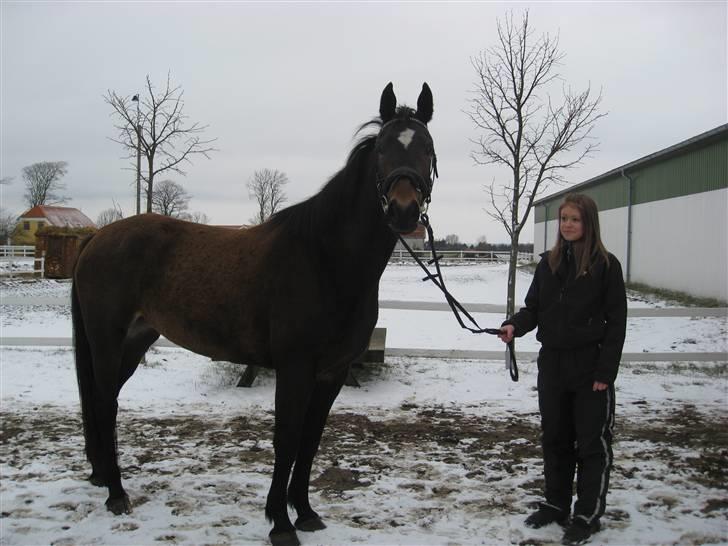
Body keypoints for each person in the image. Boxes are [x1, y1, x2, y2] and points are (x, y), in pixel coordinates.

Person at [498, 193, 627, 545]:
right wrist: (514, 325)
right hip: (552, 364)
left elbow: (616, 324)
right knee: (554, 439)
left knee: (590, 444)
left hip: (589, 369)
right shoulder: (549, 263)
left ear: (589, 223)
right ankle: (555, 504)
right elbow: (534, 308)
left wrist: (605, 372)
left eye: (575, 219)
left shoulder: (606, 266)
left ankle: (587, 514)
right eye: (564, 218)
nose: (568, 224)